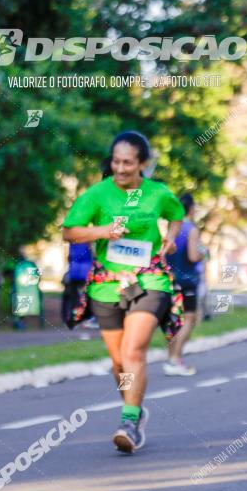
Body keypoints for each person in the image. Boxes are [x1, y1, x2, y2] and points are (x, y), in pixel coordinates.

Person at [62, 130, 185, 453]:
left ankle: (128, 421)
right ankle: (136, 408)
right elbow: (69, 232)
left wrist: (171, 238)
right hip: (107, 285)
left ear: (142, 163)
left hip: (150, 281)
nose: (120, 168)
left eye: (128, 163)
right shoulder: (97, 194)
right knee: (118, 363)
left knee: (133, 351)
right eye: (116, 161)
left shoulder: (158, 193)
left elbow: (176, 215)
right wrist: (103, 231)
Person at [163, 192, 206, 375]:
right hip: (187, 280)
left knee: (174, 321)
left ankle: (172, 358)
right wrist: (204, 253)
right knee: (190, 319)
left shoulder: (172, 228)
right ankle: (174, 359)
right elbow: (193, 256)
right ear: (190, 208)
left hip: (170, 279)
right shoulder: (192, 229)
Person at [61, 242, 93, 325]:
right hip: (83, 273)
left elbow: (68, 256)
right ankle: (82, 318)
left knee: (74, 298)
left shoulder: (74, 238)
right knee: (83, 297)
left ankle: (72, 318)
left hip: (76, 272)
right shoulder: (87, 239)